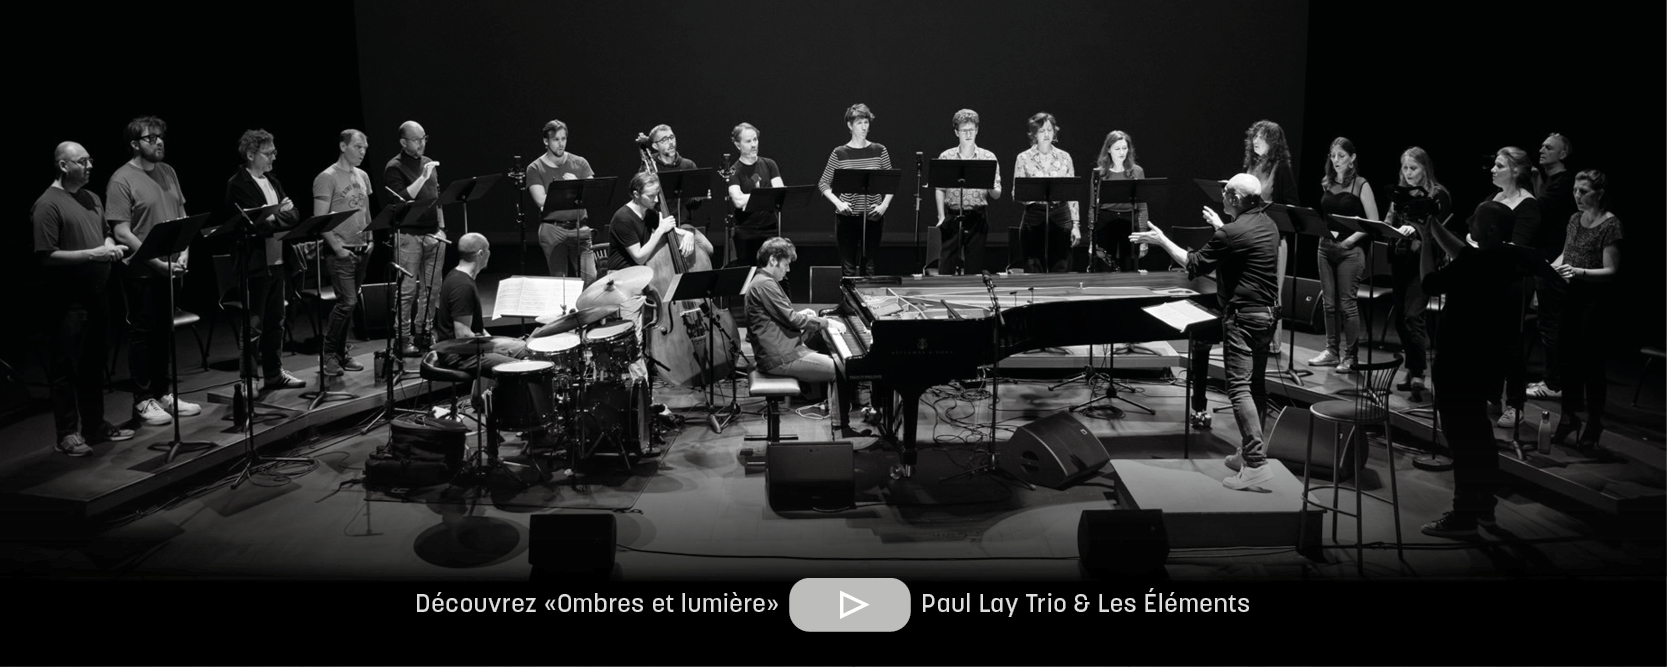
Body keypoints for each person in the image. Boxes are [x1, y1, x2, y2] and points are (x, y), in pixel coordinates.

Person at [1131, 174, 1280, 490]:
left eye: (1226, 192)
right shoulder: (1268, 225)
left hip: (1243, 319)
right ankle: (1248, 453)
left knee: (1239, 389)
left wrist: (1161, 240)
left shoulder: (1230, 232)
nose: (1221, 195)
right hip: (1266, 317)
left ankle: (1255, 463)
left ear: (1236, 199)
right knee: (1256, 387)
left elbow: (1194, 263)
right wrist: (1220, 227)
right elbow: (1240, 245)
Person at [1413, 201, 1523, 538]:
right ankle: (1484, 506)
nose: (1468, 219)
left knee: (1462, 440)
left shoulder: (1474, 264)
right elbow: (1460, 250)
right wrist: (1432, 225)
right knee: (1479, 436)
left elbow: (1429, 283)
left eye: (1476, 217)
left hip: (1457, 362)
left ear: (1491, 229)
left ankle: (1463, 516)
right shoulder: (1503, 259)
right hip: (1483, 362)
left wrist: (1426, 242)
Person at [33, 142, 135, 455]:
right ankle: (66, 434)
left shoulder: (91, 198)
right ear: (63, 166)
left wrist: (110, 247)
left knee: (94, 364)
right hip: (68, 300)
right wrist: (94, 254)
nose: (89, 166)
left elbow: (105, 232)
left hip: (97, 294)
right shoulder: (47, 204)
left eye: (90, 160)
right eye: (81, 161)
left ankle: (95, 426)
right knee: (66, 368)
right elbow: (47, 256)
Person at [107, 115, 202, 426]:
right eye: (151, 138)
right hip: (143, 272)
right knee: (143, 333)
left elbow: (182, 214)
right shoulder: (121, 179)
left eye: (161, 136)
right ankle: (143, 398)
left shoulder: (168, 171)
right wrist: (157, 263)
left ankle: (163, 393)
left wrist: (184, 251)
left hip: (172, 268)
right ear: (135, 144)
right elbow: (121, 231)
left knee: (165, 333)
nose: (159, 142)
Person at [224, 129, 305, 392]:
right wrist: (279, 215)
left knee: (276, 322)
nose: (273, 157)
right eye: (268, 153)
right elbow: (257, 224)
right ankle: (249, 379)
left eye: (274, 152)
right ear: (250, 154)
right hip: (255, 264)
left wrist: (276, 216)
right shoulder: (238, 184)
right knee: (253, 325)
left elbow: (294, 215)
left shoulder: (273, 181)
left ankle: (273, 373)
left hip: (278, 260)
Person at [1548, 169, 1621, 450]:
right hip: (1571, 295)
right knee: (1566, 359)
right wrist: (1549, 268)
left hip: (1595, 300)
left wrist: (1579, 272)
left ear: (1599, 194)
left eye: (1583, 191)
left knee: (1591, 363)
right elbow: (1566, 253)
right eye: (1575, 191)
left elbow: (1611, 270)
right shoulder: (1574, 219)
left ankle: (1594, 421)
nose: (1577, 196)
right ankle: (1569, 417)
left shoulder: (1610, 224)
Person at [433, 233, 528, 445]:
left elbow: (474, 329)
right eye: (489, 250)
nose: (490, 254)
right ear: (481, 253)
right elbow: (463, 336)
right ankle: (512, 421)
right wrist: (494, 347)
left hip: (467, 350)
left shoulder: (460, 277)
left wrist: (497, 341)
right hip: (460, 356)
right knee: (521, 369)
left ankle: (486, 402)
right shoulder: (462, 286)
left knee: (524, 348)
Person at [1383, 146, 1450, 400]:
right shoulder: (1399, 193)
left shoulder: (1437, 193)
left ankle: (1418, 372)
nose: (1408, 173)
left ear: (1425, 168)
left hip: (1423, 263)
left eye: (1413, 168)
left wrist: (1418, 229)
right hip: (1400, 261)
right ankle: (1412, 368)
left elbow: (1440, 228)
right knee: (1400, 319)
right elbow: (1389, 221)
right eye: (1405, 168)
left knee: (1413, 317)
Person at [1308, 137, 1379, 374]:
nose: (1336, 160)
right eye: (1333, 156)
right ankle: (1331, 350)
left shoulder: (1361, 185)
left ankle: (1351, 356)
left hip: (1350, 249)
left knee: (1347, 304)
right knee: (1329, 305)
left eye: (1341, 156)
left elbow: (1374, 222)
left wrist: (1349, 241)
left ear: (1352, 158)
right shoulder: (1327, 182)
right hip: (1326, 247)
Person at [1486, 146, 1542, 430]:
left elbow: (1517, 246)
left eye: (1499, 165)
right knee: (1490, 342)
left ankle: (1516, 405)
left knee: (1510, 345)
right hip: (1490, 279)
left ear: (1516, 170)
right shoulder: (1495, 198)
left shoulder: (1528, 205)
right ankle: (1492, 397)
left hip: (1514, 283)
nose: (1493, 170)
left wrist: (1483, 246)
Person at [745, 237, 840, 404]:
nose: (788, 270)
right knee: (841, 369)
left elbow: (780, 316)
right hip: (780, 358)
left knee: (819, 342)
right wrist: (826, 322)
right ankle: (840, 420)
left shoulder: (764, 281)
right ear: (773, 260)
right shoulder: (765, 284)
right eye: (786, 264)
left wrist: (804, 316)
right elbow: (792, 319)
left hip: (780, 352)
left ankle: (824, 403)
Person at [383, 120, 447, 357]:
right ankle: (402, 338)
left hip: (433, 233)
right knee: (408, 290)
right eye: (416, 140)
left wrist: (441, 228)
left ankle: (424, 333)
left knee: (431, 289)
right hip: (408, 235)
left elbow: (436, 196)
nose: (421, 143)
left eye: (424, 138)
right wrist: (422, 177)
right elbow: (400, 201)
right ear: (403, 142)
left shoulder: (428, 162)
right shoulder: (394, 167)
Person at [313, 130, 373, 377]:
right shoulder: (327, 177)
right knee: (347, 302)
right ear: (342, 146)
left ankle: (340, 353)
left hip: (361, 249)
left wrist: (371, 238)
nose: (362, 151)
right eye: (358, 146)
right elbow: (320, 219)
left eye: (365, 147)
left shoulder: (363, 175)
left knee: (350, 303)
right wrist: (337, 248)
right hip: (340, 251)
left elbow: (365, 210)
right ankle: (328, 354)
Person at [818, 103, 894, 277]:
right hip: (847, 218)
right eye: (859, 123)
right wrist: (838, 203)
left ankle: (867, 297)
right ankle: (849, 296)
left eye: (866, 122)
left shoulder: (879, 150)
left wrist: (883, 206)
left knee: (869, 267)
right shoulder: (840, 152)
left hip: (873, 216)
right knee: (848, 269)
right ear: (850, 125)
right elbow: (823, 183)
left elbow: (891, 182)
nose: (864, 127)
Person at [1243, 120, 1298, 355]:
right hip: (1250, 237)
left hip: (1273, 240)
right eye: (1254, 136)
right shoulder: (1252, 164)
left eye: (1262, 137)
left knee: (1271, 292)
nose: (1256, 140)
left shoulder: (1281, 167)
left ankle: (1273, 343)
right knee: (1251, 290)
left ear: (1273, 142)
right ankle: (1251, 338)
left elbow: (1292, 206)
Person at [1528, 133, 1575, 400]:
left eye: (1548, 147)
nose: (1541, 149)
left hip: (1555, 260)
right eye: (1541, 146)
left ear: (1563, 154)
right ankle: (1551, 379)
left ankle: (1554, 383)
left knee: (1551, 324)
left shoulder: (1565, 183)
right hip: (1545, 258)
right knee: (1546, 323)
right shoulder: (1550, 182)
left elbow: (1538, 210)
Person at [525, 120, 598, 287]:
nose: (561, 144)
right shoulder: (535, 168)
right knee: (560, 283)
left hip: (579, 227)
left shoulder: (580, 163)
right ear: (546, 141)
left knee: (590, 278)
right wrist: (569, 189)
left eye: (563, 139)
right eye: (556, 139)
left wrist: (577, 183)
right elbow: (540, 200)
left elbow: (592, 194)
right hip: (553, 229)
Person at [934, 109, 1002, 275]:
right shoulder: (947, 156)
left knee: (974, 268)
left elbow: (997, 194)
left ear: (977, 130)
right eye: (964, 130)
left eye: (971, 129)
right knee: (946, 267)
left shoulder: (988, 157)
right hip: (952, 215)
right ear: (956, 132)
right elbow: (939, 189)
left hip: (977, 217)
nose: (968, 134)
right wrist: (941, 216)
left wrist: (989, 184)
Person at [1014, 112, 1080, 273]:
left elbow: (1072, 195)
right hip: (1034, 216)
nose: (1046, 134)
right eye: (1042, 130)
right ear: (1034, 134)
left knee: (1061, 266)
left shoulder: (1065, 157)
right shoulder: (1023, 158)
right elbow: (1017, 193)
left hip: (1060, 215)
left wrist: (1076, 225)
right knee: (1033, 267)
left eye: (1049, 130)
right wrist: (1034, 194)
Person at [608, 171, 699, 272]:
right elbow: (639, 258)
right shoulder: (623, 219)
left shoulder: (649, 212)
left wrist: (687, 234)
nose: (656, 200)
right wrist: (660, 230)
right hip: (622, 273)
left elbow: (671, 229)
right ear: (636, 194)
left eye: (657, 195)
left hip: (642, 270)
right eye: (651, 196)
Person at [727, 122, 785, 267]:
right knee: (749, 272)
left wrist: (751, 197)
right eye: (748, 141)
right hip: (746, 233)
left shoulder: (769, 164)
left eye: (755, 139)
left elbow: (779, 193)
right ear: (738, 145)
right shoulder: (734, 171)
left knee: (774, 271)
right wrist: (765, 195)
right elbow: (738, 201)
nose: (754, 144)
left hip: (770, 229)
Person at [1092, 130, 1146, 272]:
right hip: (1105, 221)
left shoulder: (1137, 171)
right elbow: (1093, 206)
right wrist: (1092, 239)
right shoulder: (1099, 173)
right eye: (1117, 149)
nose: (1122, 152)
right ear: (1108, 149)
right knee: (1104, 269)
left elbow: (1142, 207)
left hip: (1129, 221)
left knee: (1129, 267)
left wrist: (1143, 238)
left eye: (1124, 148)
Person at [644, 124, 705, 225]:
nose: (670, 142)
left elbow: (693, 206)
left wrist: (699, 197)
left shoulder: (688, 165)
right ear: (655, 146)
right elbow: (644, 202)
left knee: (699, 237)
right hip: (657, 225)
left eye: (672, 137)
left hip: (683, 224)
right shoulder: (649, 167)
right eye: (664, 140)